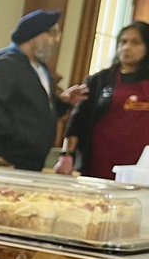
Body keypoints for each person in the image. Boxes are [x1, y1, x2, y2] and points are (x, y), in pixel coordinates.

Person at [0, 9, 69, 171]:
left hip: (33, 159)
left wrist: (63, 103)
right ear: (34, 35)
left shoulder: (41, 69)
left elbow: (36, 111)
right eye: (52, 33)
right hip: (8, 158)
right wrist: (20, 136)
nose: (56, 40)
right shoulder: (6, 65)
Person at [55, 20, 149, 179]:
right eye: (123, 42)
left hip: (141, 168)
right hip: (99, 163)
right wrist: (67, 155)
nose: (126, 47)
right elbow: (78, 121)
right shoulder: (99, 80)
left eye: (135, 43)